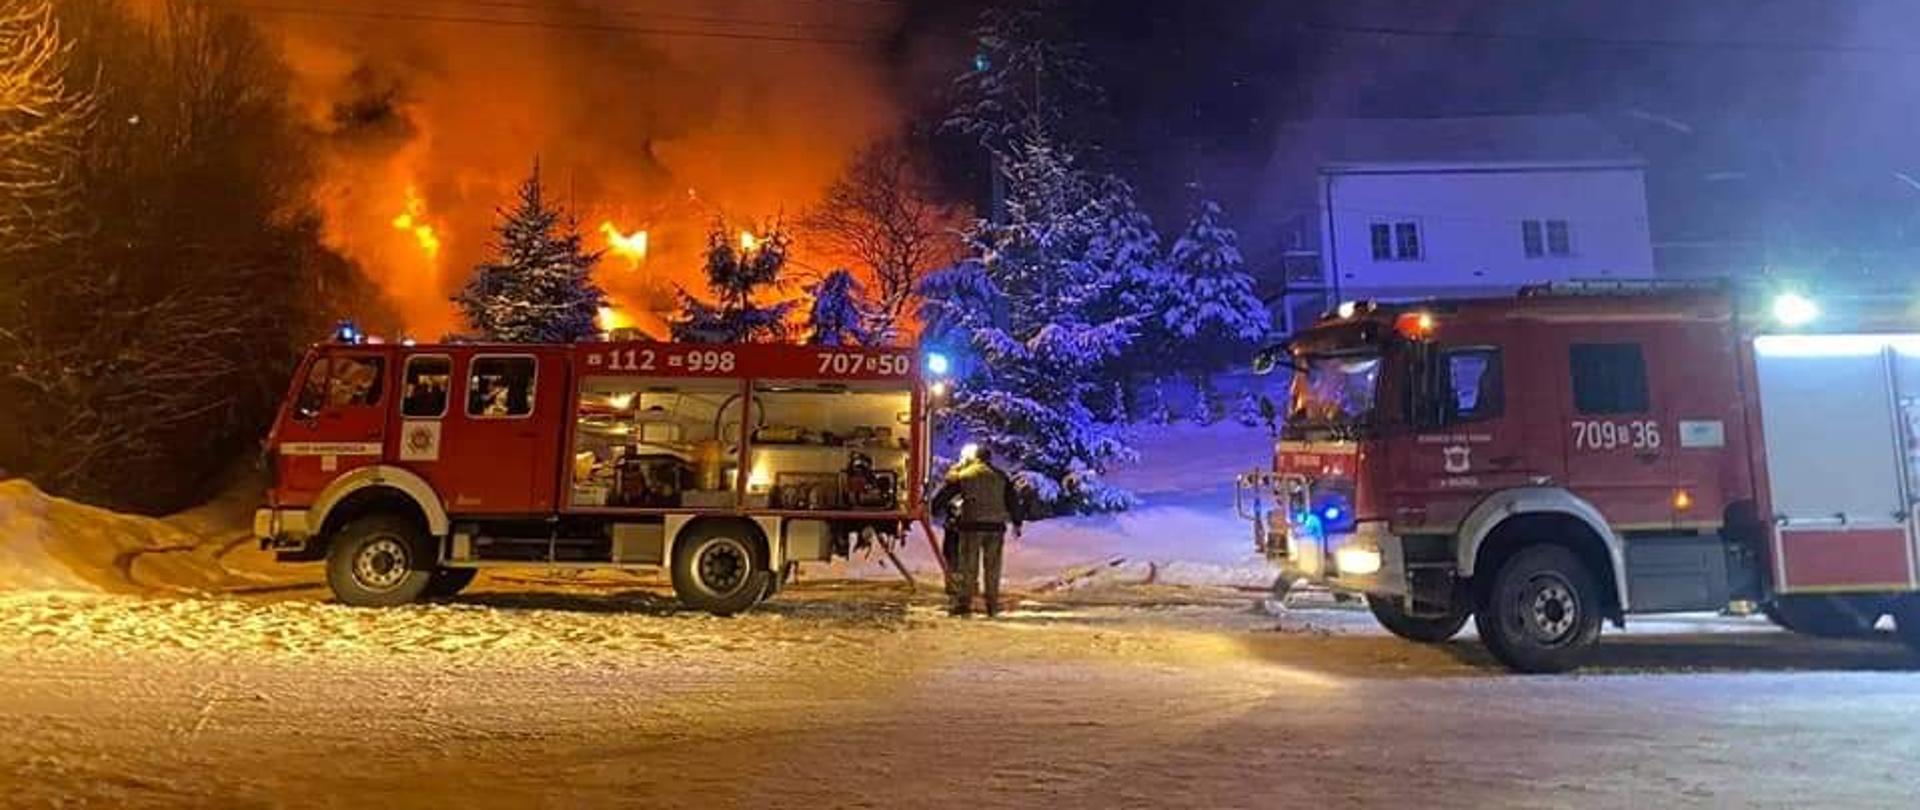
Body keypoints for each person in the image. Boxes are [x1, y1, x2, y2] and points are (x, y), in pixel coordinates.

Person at [931, 446, 1025, 617]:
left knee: (968, 566)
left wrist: (933, 509)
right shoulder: (1001, 476)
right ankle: (992, 605)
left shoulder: (965, 475)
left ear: (975, 458)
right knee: (993, 567)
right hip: (996, 528)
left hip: (971, 526)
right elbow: (1012, 501)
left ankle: (964, 603)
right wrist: (1017, 523)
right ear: (989, 459)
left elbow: (944, 496)